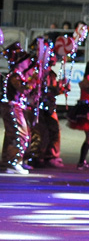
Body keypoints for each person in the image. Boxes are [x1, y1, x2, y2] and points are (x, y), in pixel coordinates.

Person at [2, 45, 37, 174]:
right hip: (13, 107)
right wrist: (33, 82)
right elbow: (24, 89)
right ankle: (15, 162)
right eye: (26, 60)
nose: (28, 62)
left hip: (15, 107)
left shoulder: (19, 75)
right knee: (21, 135)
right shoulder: (15, 76)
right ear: (20, 62)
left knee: (13, 135)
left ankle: (9, 162)